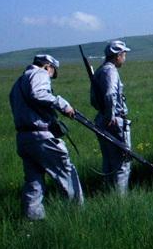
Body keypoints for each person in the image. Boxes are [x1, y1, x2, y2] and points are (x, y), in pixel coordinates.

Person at [9, 54, 83, 220]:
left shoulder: (17, 83)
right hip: (42, 137)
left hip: (24, 138)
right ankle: (77, 215)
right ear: (48, 66)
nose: (50, 76)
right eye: (52, 73)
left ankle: (33, 221)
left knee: (34, 182)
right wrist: (63, 105)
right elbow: (38, 94)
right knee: (66, 173)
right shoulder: (40, 74)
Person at [90, 40, 132, 194]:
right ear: (118, 55)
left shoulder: (100, 70)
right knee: (122, 163)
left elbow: (93, 100)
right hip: (114, 121)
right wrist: (110, 114)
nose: (125, 58)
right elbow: (110, 94)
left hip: (102, 118)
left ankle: (109, 195)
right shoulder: (110, 71)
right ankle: (120, 200)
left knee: (109, 161)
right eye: (124, 54)